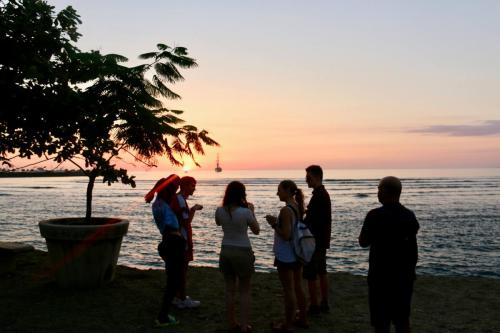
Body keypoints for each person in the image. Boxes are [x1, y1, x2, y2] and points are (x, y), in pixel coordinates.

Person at [358, 176, 419, 333]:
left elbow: (363, 242)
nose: (377, 192)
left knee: (381, 323)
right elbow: (413, 250)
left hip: (380, 277)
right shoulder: (409, 215)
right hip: (403, 277)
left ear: (385, 191)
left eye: (379, 189)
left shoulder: (374, 215)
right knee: (402, 321)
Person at [215, 181, 260, 333]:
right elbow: (256, 230)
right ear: (242, 194)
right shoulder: (245, 212)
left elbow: (218, 222)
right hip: (242, 250)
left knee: (229, 290)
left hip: (225, 250)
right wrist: (252, 212)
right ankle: (244, 325)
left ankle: (231, 323)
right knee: (245, 290)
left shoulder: (220, 210)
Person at [266, 180, 307, 332]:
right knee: (298, 286)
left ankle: (287, 325)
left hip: (286, 255)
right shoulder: (297, 207)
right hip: (297, 253)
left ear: (288, 190)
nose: (277, 193)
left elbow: (286, 235)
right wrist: (278, 223)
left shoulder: (286, 210)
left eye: (279, 190)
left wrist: (273, 224)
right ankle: (302, 317)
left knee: (288, 290)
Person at [145, 174, 184, 327]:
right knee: (173, 282)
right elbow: (170, 227)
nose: (175, 193)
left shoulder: (157, 203)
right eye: (173, 190)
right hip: (173, 242)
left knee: (172, 281)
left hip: (168, 242)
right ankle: (162, 317)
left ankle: (164, 314)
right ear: (168, 191)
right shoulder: (163, 205)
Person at [170, 176, 203, 309]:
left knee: (179, 269)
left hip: (177, 238)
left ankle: (177, 296)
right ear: (184, 186)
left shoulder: (177, 199)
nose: (194, 188)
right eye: (192, 185)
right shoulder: (180, 201)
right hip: (181, 239)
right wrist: (194, 209)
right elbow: (186, 222)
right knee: (182, 270)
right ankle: (182, 299)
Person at [303, 165, 332, 314]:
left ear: (315, 177)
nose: (306, 180)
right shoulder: (322, 194)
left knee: (311, 273)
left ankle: (314, 305)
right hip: (321, 240)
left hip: (314, 241)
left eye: (308, 177)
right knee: (321, 271)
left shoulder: (319, 196)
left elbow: (311, 220)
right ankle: (324, 302)